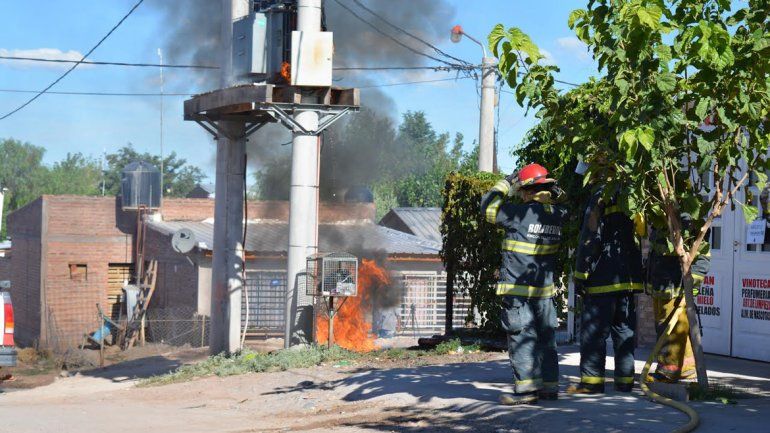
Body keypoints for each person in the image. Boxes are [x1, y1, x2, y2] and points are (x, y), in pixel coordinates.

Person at [480, 163, 567, 405]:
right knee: (546, 339)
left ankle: (526, 391)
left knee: (521, 336)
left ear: (528, 191)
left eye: (521, 191)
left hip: (519, 292)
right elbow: (562, 200)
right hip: (545, 293)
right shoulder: (558, 215)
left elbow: (487, 208)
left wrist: (505, 183)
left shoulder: (518, 215)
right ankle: (550, 389)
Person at [569, 183, 644, 394]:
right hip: (628, 280)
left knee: (594, 333)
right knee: (624, 332)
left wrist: (581, 273)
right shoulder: (635, 193)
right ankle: (624, 382)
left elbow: (591, 236)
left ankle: (591, 384)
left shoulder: (601, 196)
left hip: (602, 279)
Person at [646, 223, 710, 382]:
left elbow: (702, 257)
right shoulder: (661, 221)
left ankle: (669, 371)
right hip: (661, 286)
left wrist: (692, 283)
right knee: (666, 328)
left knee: (672, 330)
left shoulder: (686, 219)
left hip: (675, 288)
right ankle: (686, 369)